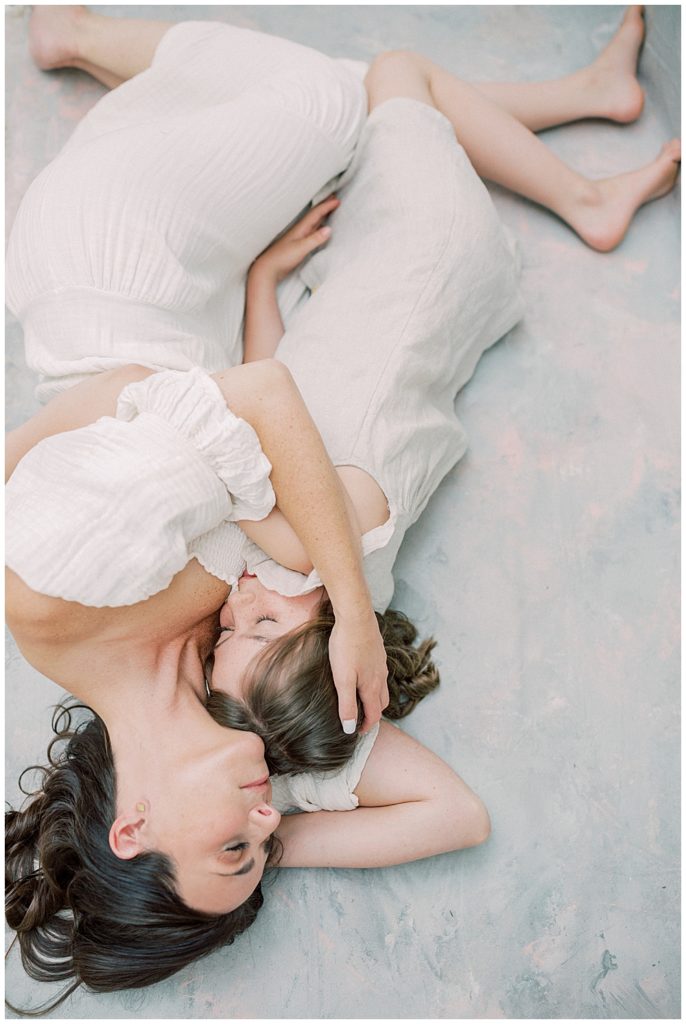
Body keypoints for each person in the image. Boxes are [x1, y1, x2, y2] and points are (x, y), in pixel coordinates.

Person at [4, 2, 679, 1008]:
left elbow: (262, 399)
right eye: (265, 850)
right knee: (370, 126)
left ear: (132, 825)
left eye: (237, 845)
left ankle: (83, 37)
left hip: (121, 258)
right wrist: (284, 843)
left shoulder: (66, 587)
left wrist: (352, 611)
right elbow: (445, 808)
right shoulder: (233, 711)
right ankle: (580, 102)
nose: (266, 822)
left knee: (340, 95)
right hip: (212, 312)